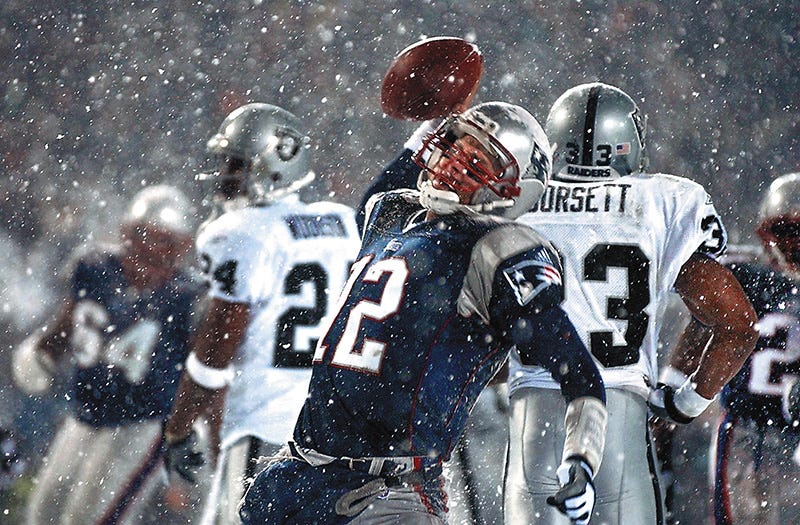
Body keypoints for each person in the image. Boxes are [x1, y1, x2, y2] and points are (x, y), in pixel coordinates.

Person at [239, 101, 608, 525]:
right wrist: (437, 111)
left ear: (514, 188)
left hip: (389, 493)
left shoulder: (498, 251)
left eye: (476, 163)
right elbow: (378, 195)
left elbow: (580, 375)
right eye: (453, 147)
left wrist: (582, 461)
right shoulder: (392, 214)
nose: (453, 164)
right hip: (297, 475)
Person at [503, 82, 758, 525]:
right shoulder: (661, 202)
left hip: (535, 421)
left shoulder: (515, 202)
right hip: (618, 417)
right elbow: (738, 327)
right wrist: (685, 403)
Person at [162, 102, 361, 525]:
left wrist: (179, 427)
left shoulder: (243, 234)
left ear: (272, 166)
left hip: (269, 432)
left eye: (235, 166)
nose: (226, 179)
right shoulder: (345, 224)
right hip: (340, 433)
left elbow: (215, 354)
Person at [11, 184, 201, 525]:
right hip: (85, 413)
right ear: (126, 232)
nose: (152, 250)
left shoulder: (188, 296)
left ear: (183, 247)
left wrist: (187, 449)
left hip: (142, 424)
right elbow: (62, 331)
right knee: (44, 516)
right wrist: (42, 355)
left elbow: (205, 375)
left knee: (91, 519)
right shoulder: (95, 268)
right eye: (145, 236)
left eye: (165, 242)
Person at [696, 172, 800, 525]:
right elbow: (698, 327)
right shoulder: (746, 275)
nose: (794, 246)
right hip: (747, 426)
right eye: (787, 235)